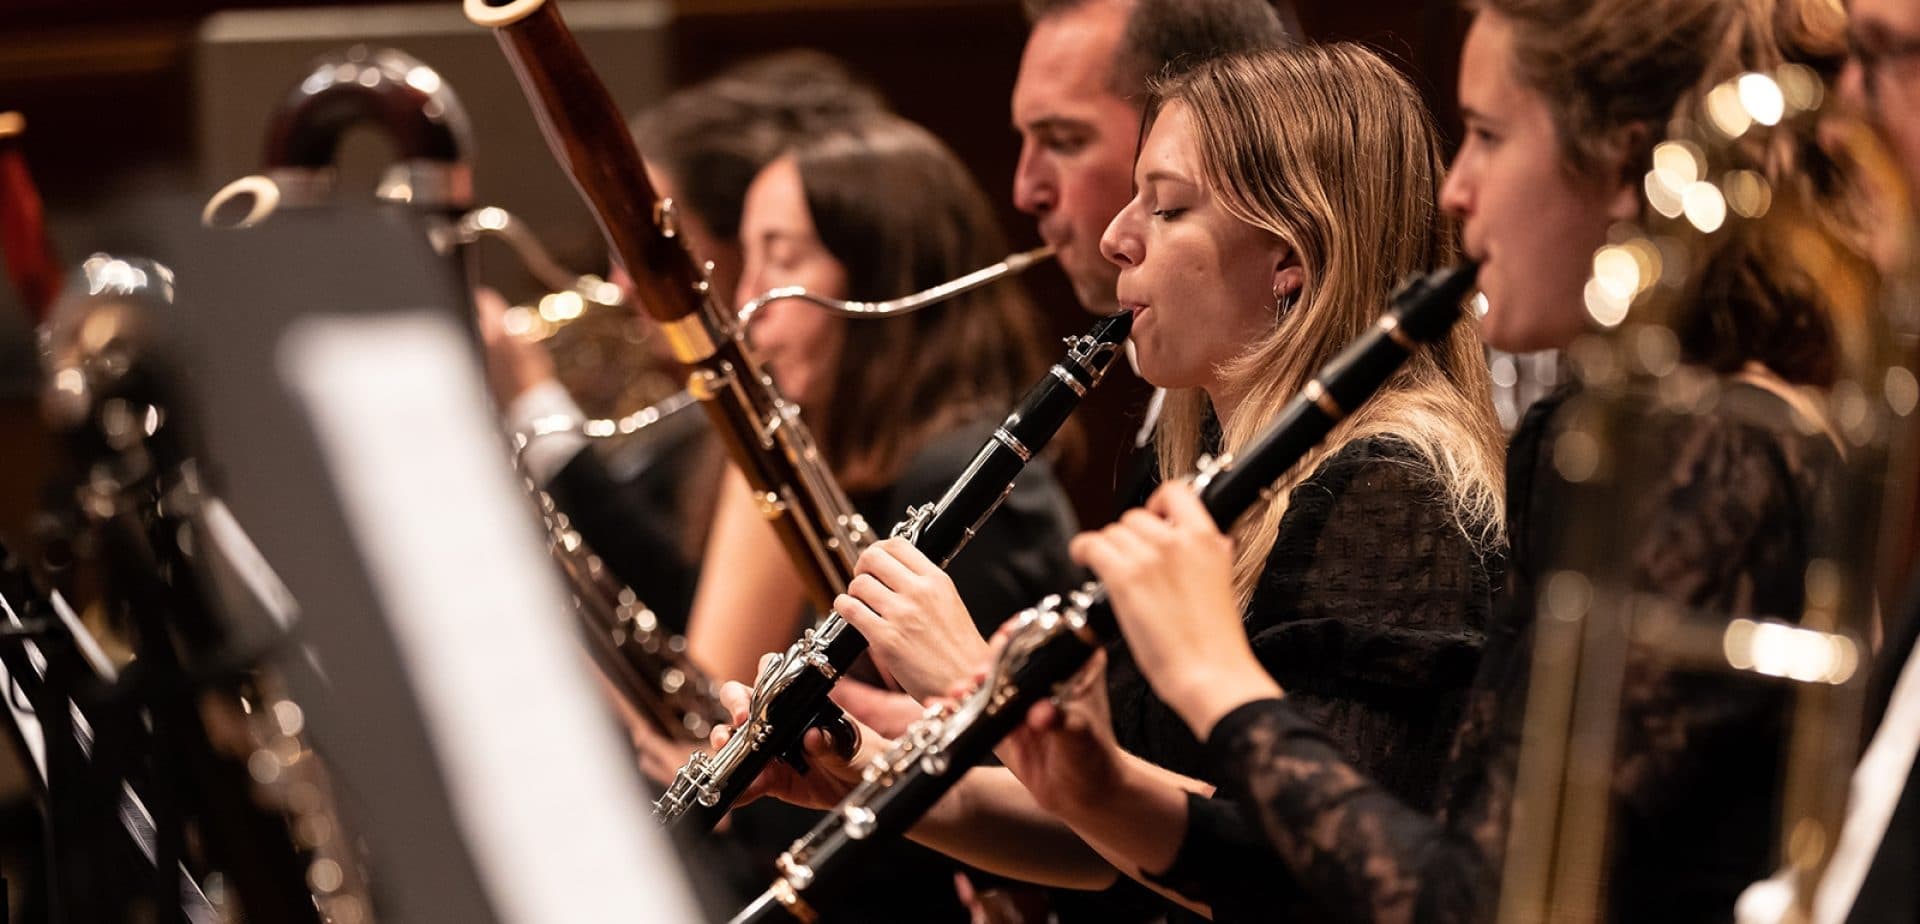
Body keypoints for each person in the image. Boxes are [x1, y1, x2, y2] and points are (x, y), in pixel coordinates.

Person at [1060, 0, 1854, 921]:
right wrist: (1086, 786)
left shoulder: (1717, 460)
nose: (1455, 190)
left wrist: (1213, 680)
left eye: (1486, 135)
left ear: (1630, 169)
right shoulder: (1602, 433)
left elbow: (1466, 903)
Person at [717, 42, 1508, 923]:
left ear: (1289, 254)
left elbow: (1308, 874)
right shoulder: (1201, 466)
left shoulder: (1390, 498)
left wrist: (984, 686)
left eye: (1166, 208)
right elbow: (1111, 830)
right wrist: (866, 775)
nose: (1113, 238)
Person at [476, 52, 886, 629]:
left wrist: (533, 402)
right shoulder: (685, 414)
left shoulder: (806, 420)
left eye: (649, 252)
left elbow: (685, 627)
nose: (621, 285)